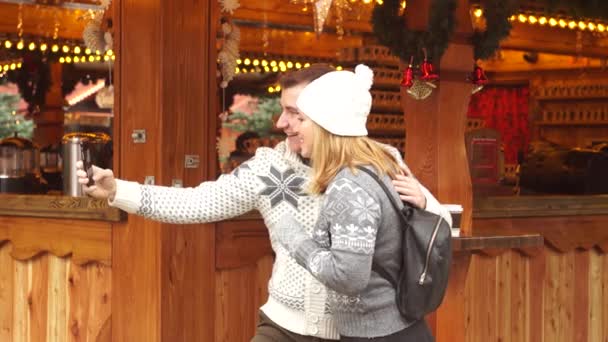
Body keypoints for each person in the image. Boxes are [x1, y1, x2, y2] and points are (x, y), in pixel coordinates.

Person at [76, 64, 443, 342]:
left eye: (295, 113)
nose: (281, 122)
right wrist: (116, 191)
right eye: (283, 110)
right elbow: (197, 202)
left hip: (359, 333)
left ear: (326, 115)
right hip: (283, 328)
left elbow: (434, 226)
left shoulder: (381, 160)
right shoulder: (269, 167)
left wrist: (427, 201)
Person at [273, 65, 452, 341]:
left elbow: (349, 277)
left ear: (325, 125)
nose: (296, 129)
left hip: (377, 334)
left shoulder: (349, 185)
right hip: (400, 328)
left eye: (303, 120)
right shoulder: (382, 163)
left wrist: (293, 237)